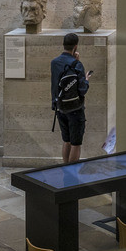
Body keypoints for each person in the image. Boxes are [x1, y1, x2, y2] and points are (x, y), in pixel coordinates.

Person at [51, 32, 89, 164]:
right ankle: (72, 175)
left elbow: (55, 85)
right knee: (76, 143)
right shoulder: (77, 64)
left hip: (60, 107)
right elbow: (82, 89)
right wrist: (86, 78)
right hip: (75, 109)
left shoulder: (54, 63)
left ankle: (65, 169)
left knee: (66, 140)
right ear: (76, 47)